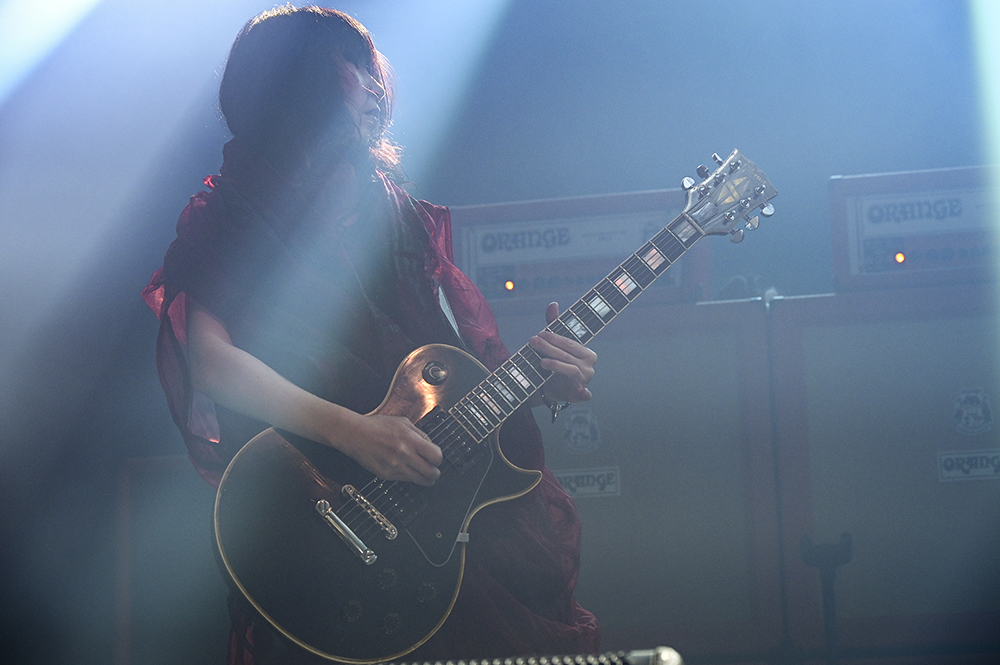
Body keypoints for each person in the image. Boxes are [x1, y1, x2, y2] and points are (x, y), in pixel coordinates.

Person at [142, 6, 600, 663]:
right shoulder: (231, 213)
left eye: (371, 68)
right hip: (317, 509)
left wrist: (540, 384)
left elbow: (452, 366)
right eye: (353, 68)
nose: (376, 85)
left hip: (431, 508)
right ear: (298, 83)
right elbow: (212, 364)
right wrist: (353, 432)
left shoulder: (397, 211)